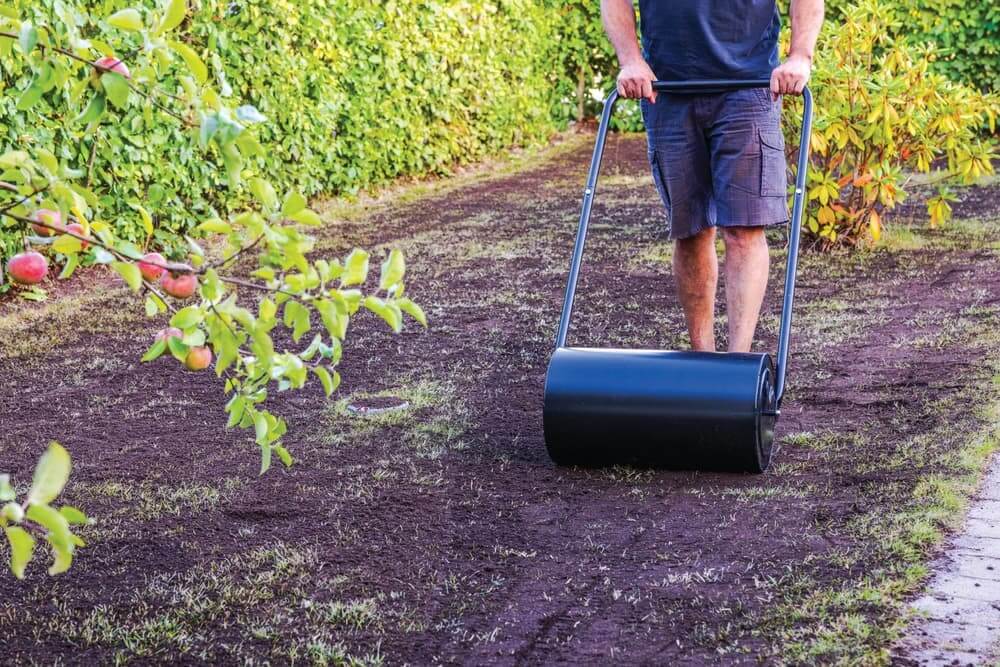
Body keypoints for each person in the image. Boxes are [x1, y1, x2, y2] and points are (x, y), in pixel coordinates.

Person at [601, 0, 824, 352]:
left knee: (744, 230)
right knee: (691, 231)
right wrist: (630, 60)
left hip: (748, 88)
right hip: (668, 90)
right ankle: (701, 362)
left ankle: (737, 366)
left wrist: (800, 56)